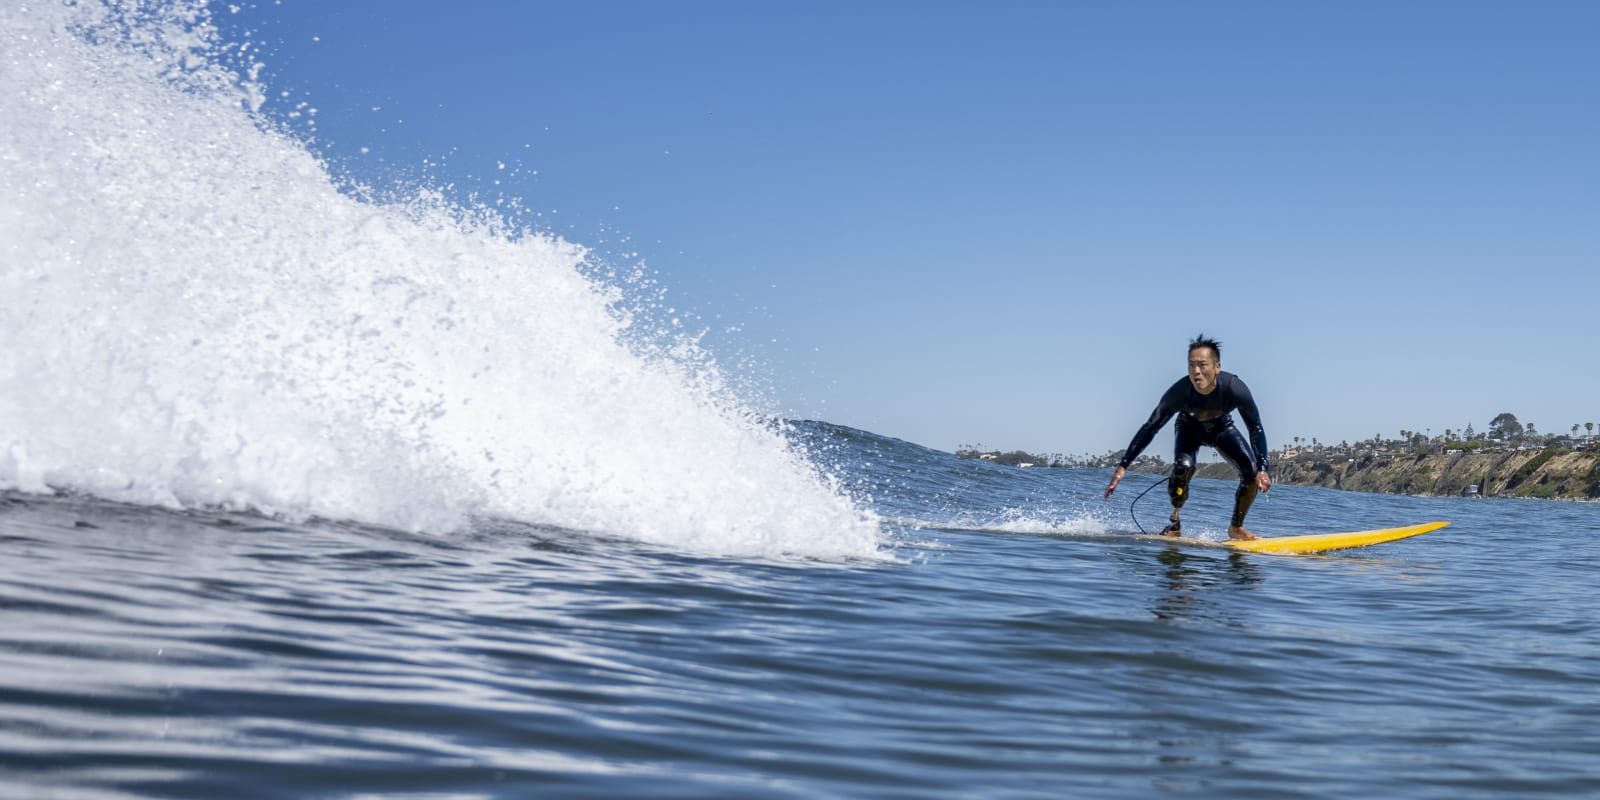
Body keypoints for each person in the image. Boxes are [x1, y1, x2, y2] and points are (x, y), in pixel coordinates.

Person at [1103, 334, 1272, 540]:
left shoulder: (1234, 389)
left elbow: (1256, 428)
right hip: (1188, 429)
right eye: (1191, 365)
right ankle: (1175, 523)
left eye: (1202, 365)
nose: (1196, 371)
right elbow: (1151, 427)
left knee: (1251, 473)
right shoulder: (1179, 392)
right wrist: (1123, 465)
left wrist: (1263, 468)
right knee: (1183, 467)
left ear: (1217, 367)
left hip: (1221, 428)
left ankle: (1236, 527)